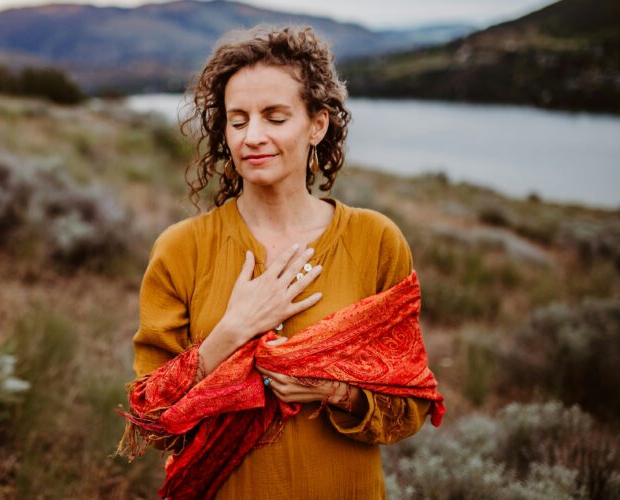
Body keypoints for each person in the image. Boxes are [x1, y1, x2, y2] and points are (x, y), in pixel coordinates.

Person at [123, 25, 440, 499]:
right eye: (238, 121)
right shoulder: (182, 249)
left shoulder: (375, 241)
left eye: (275, 117)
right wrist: (232, 332)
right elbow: (150, 418)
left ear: (317, 124)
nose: (253, 137)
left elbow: (410, 408)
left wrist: (334, 391)